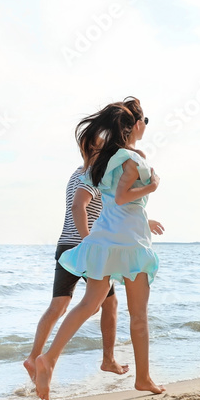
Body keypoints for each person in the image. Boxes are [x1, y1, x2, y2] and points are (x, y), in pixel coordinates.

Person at [34, 98, 165, 400]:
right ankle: (143, 378)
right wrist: (152, 187)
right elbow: (122, 198)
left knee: (87, 305)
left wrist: (145, 213)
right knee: (139, 316)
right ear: (134, 126)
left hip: (105, 240)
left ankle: (49, 358)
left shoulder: (103, 160)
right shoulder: (134, 158)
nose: (146, 125)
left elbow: (116, 202)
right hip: (130, 244)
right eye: (145, 119)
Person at [23, 154, 132, 382]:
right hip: (84, 246)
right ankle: (108, 359)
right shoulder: (97, 173)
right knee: (109, 303)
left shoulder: (77, 172)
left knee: (58, 306)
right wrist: (88, 242)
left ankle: (34, 357)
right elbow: (77, 206)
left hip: (65, 244)